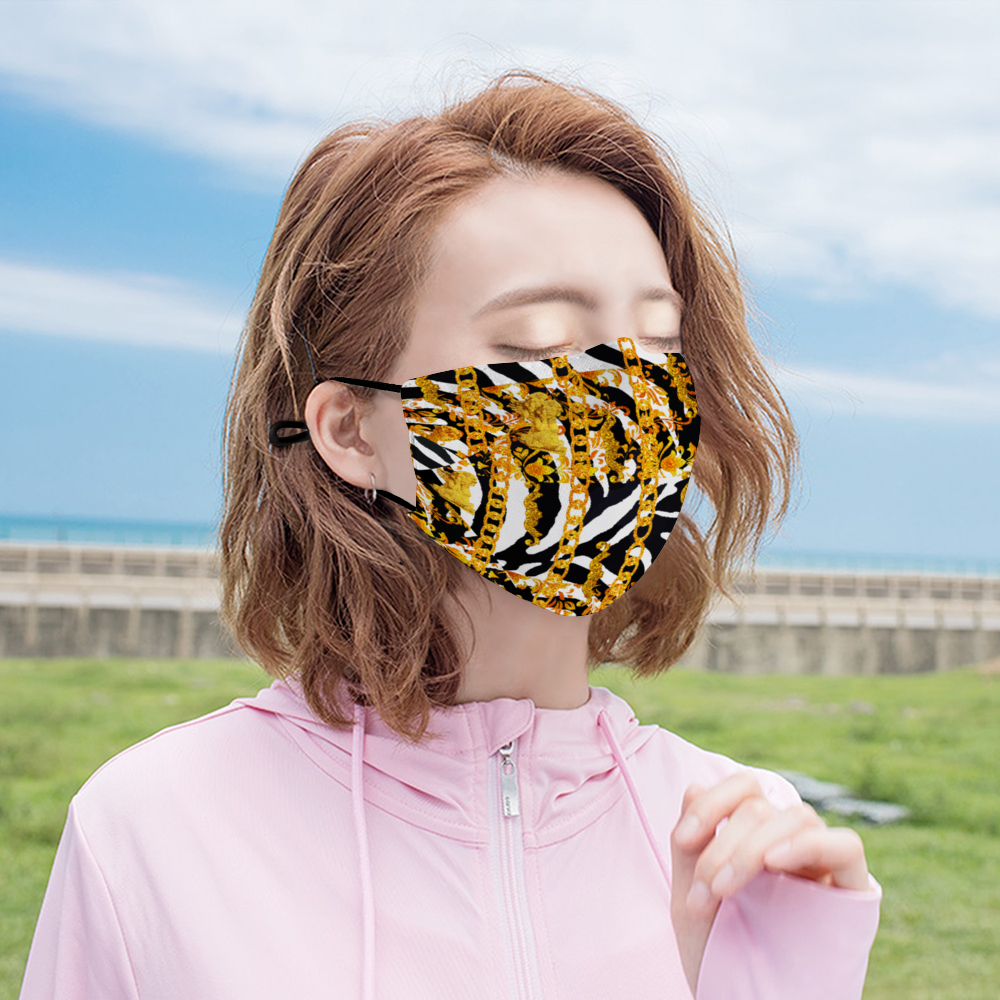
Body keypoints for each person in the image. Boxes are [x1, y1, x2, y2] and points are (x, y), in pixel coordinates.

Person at [19, 68, 881, 999]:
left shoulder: (744, 842)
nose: (628, 394)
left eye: (660, 345)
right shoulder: (151, 832)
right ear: (352, 430)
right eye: (543, 343)